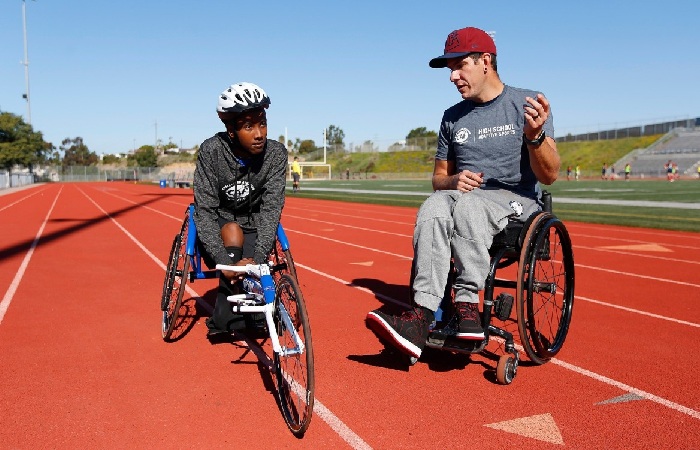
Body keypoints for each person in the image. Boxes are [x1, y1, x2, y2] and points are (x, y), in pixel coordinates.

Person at [365, 26, 560, 359]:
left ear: (485, 61)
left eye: (459, 66)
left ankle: (468, 305)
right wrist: (453, 182)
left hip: (517, 204)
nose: (452, 77)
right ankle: (421, 315)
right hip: (466, 198)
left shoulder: (526, 104)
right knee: (434, 205)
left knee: (471, 207)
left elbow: (550, 174)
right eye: (449, 69)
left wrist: (535, 136)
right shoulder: (451, 118)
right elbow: (438, 179)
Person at [193, 82, 288, 339]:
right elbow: (204, 209)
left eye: (262, 123)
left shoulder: (276, 154)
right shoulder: (212, 151)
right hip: (220, 225)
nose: (259, 134)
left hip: (256, 225)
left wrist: (257, 258)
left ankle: (251, 308)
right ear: (231, 130)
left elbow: (271, 208)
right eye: (249, 126)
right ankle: (226, 314)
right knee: (232, 232)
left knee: (257, 289)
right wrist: (224, 261)